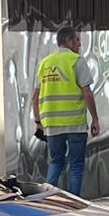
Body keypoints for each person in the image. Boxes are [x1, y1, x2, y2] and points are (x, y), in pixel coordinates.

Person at [33, 26, 100, 196]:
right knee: (76, 165)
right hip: (75, 124)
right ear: (68, 41)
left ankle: (45, 199)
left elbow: (35, 96)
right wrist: (95, 118)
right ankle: (74, 203)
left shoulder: (45, 63)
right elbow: (87, 93)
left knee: (56, 162)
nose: (80, 44)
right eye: (77, 40)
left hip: (53, 125)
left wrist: (38, 121)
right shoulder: (76, 60)